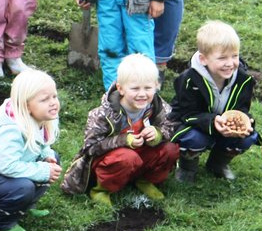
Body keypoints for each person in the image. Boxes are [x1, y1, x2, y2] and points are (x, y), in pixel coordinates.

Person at [61, 54, 178, 207]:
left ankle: (145, 180)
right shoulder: (103, 113)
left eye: (148, 88)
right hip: (111, 160)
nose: (142, 94)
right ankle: (101, 189)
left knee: (171, 149)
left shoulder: (157, 105)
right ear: (120, 88)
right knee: (127, 158)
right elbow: (91, 147)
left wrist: (158, 134)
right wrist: (124, 140)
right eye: (135, 88)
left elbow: (172, 124)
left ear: (156, 85)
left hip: (140, 154)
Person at [0, 69, 62, 231]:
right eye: (45, 99)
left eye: (54, 96)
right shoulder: (11, 131)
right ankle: (0, 221)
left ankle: (23, 207)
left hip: (7, 172)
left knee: (53, 159)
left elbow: (42, 142)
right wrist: (43, 170)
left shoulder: (41, 118)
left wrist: (47, 156)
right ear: (26, 106)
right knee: (24, 186)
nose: (53, 102)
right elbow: (8, 166)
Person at [170, 20, 262, 182]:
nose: (230, 63)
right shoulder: (188, 80)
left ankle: (217, 164)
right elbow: (185, 113)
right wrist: (213, 122)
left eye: (235, 56)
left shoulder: (244, 80)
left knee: (247, 137)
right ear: (203, 59)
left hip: (224, 128)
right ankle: (187, 166)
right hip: (194, 125)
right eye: (222, 58)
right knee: (194, 139)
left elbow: (242, 108)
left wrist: (246, 120)